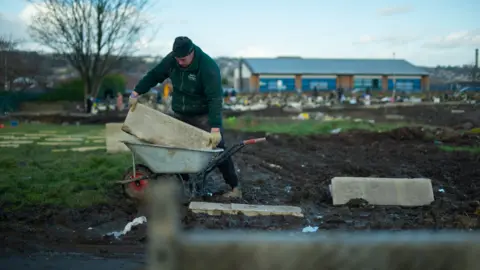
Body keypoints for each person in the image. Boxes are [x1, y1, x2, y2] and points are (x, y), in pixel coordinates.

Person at [128, 36, 241, 198]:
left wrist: (215, 127)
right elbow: (154, 75)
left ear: (192, 52)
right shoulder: (173, 60)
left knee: (219, 148)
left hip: (202, 114)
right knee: (173, 147)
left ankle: (234, 187)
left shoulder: (207, 67)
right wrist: (136, 92)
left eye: (183, 59)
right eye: (177, 59)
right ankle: (184, 182)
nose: (179, 62)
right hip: (180, 112)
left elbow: (215, 98)